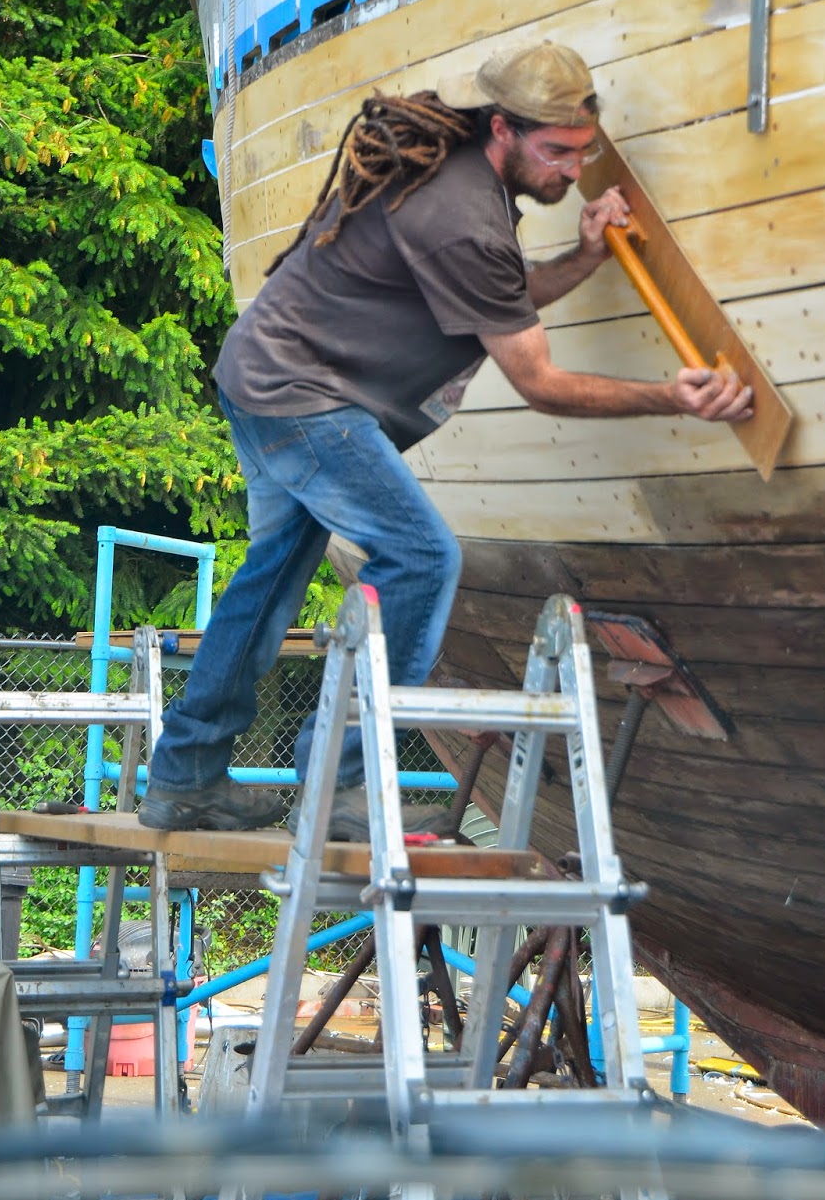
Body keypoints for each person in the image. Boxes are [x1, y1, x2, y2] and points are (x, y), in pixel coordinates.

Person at [138, 41, 752, 835]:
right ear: (503, 129)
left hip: (263, 378)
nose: (571, 171)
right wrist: (670, 398)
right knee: (422, 557)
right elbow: (540, 384)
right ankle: (346, 789)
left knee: (270, 580)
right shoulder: (461, 213)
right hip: (303, 399)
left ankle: (186, 778)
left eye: (583, 153)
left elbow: (496, 294)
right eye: (556, 152)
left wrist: (587, 255)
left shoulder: (461, 169)